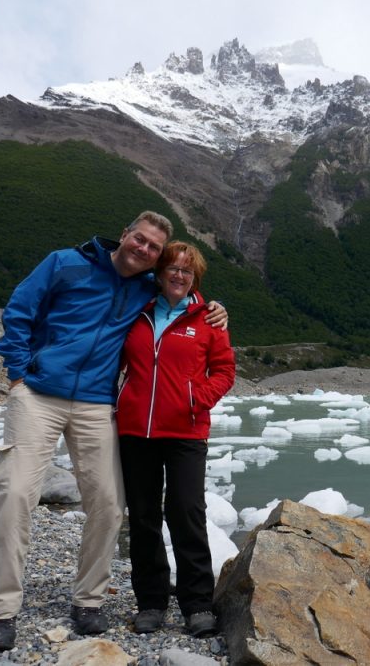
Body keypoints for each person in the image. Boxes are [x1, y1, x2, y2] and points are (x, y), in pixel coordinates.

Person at [0, 212, 228, 651]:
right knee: (16, 493)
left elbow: (186, 297)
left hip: (96, 402)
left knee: (111, 504)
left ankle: (88, 600)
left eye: (153, 248)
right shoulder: (64, 263)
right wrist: (19, 373)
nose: (144, 250)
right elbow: (18, 311)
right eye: (141, 239)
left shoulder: (149, 290)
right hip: (39, 394)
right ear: (125, 234)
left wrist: (216, 308)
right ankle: (0, 611)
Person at [115, 241, 235, 638]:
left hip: (186, 430)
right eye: (173, 268)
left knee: (186, 512)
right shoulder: (138, 310)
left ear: (195, 277)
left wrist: (195, 398)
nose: (180, 275)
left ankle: (197, 604)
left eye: (188, 270)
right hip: (136, 431)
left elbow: (224, 371)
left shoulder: (209, 321)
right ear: (160, 272)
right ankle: (150, 601)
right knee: (145, 516)